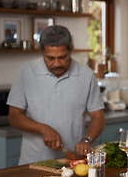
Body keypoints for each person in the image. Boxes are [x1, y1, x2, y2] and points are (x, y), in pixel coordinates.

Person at [7, 25, 105, 165]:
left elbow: (98, 116)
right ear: (42, 52)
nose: (57, 63)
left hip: (71, 161)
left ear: (71, 50)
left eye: (63, 57)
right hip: (33, 162)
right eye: (50, 58)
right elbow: (14, 116)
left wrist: (86, 140)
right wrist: (43, 129)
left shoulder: (86, 74)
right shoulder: (26, 72)